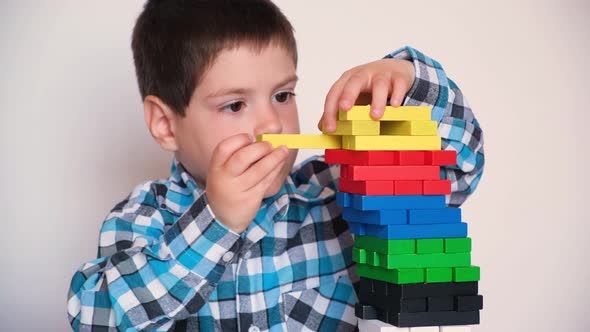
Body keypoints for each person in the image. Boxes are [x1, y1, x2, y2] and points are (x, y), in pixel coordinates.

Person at [67, 0, 484, 331]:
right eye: (234, 104)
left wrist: (410, 80)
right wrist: (218, 221)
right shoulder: (145, 216)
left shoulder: (334, 194)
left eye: (283, 96)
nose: (272, 123)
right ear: (165, 124)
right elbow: (95, 318)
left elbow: (460, 171)